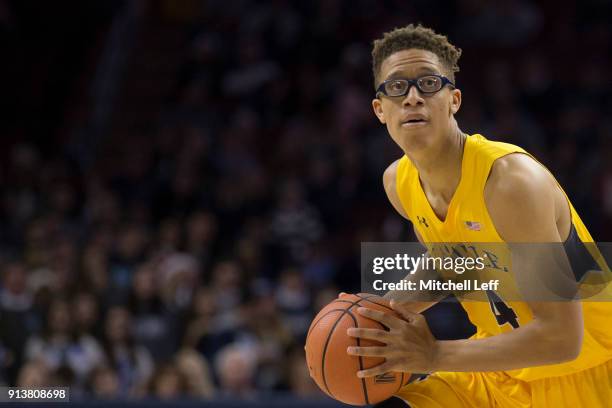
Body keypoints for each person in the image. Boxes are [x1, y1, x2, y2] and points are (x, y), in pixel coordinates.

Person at [346, 24, 612, 407]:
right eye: (397, 87)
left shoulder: (511, 183)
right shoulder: (398, 183)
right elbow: (458, 262)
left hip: (584, 372)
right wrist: (382, 316)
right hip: (496, 369)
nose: (413, 97)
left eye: (428, 83)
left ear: (454, 100)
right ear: (379, 109)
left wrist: (435, 355)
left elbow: (561, 338)